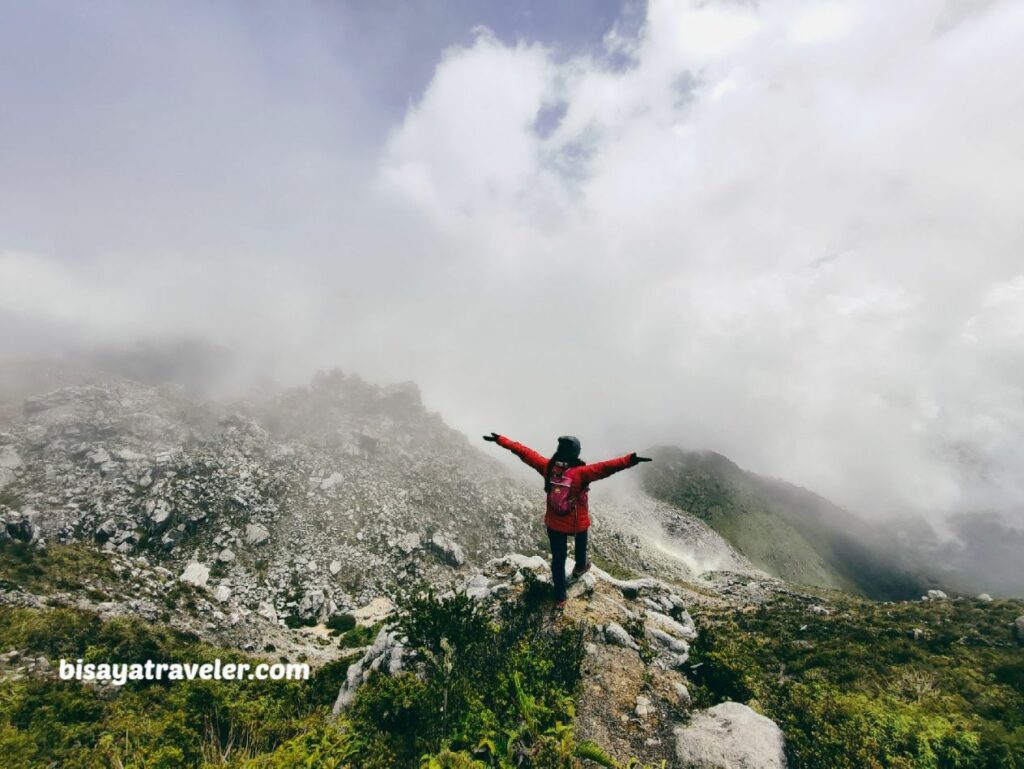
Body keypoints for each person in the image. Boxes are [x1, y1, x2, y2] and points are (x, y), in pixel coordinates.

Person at [483, 433, 652, 606]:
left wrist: (500, 440)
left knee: (558, 559)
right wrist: (631, 459)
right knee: (581, 540)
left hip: (554, 523)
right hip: (576, 523)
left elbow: (525, 453)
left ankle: (560, 598)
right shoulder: (581, 473)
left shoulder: (547, 467)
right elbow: (606, 467)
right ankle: (580, 567)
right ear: (576, 453)